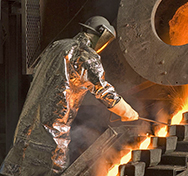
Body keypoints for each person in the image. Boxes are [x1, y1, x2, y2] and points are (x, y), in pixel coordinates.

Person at [0, 16, 139, 176]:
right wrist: (129, 113)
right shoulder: (86, 55)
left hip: (26, 128)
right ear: (102, 34)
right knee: (53, 170)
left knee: (16, 170)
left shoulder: (57, 45)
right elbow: (103, 91)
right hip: (52, 134)